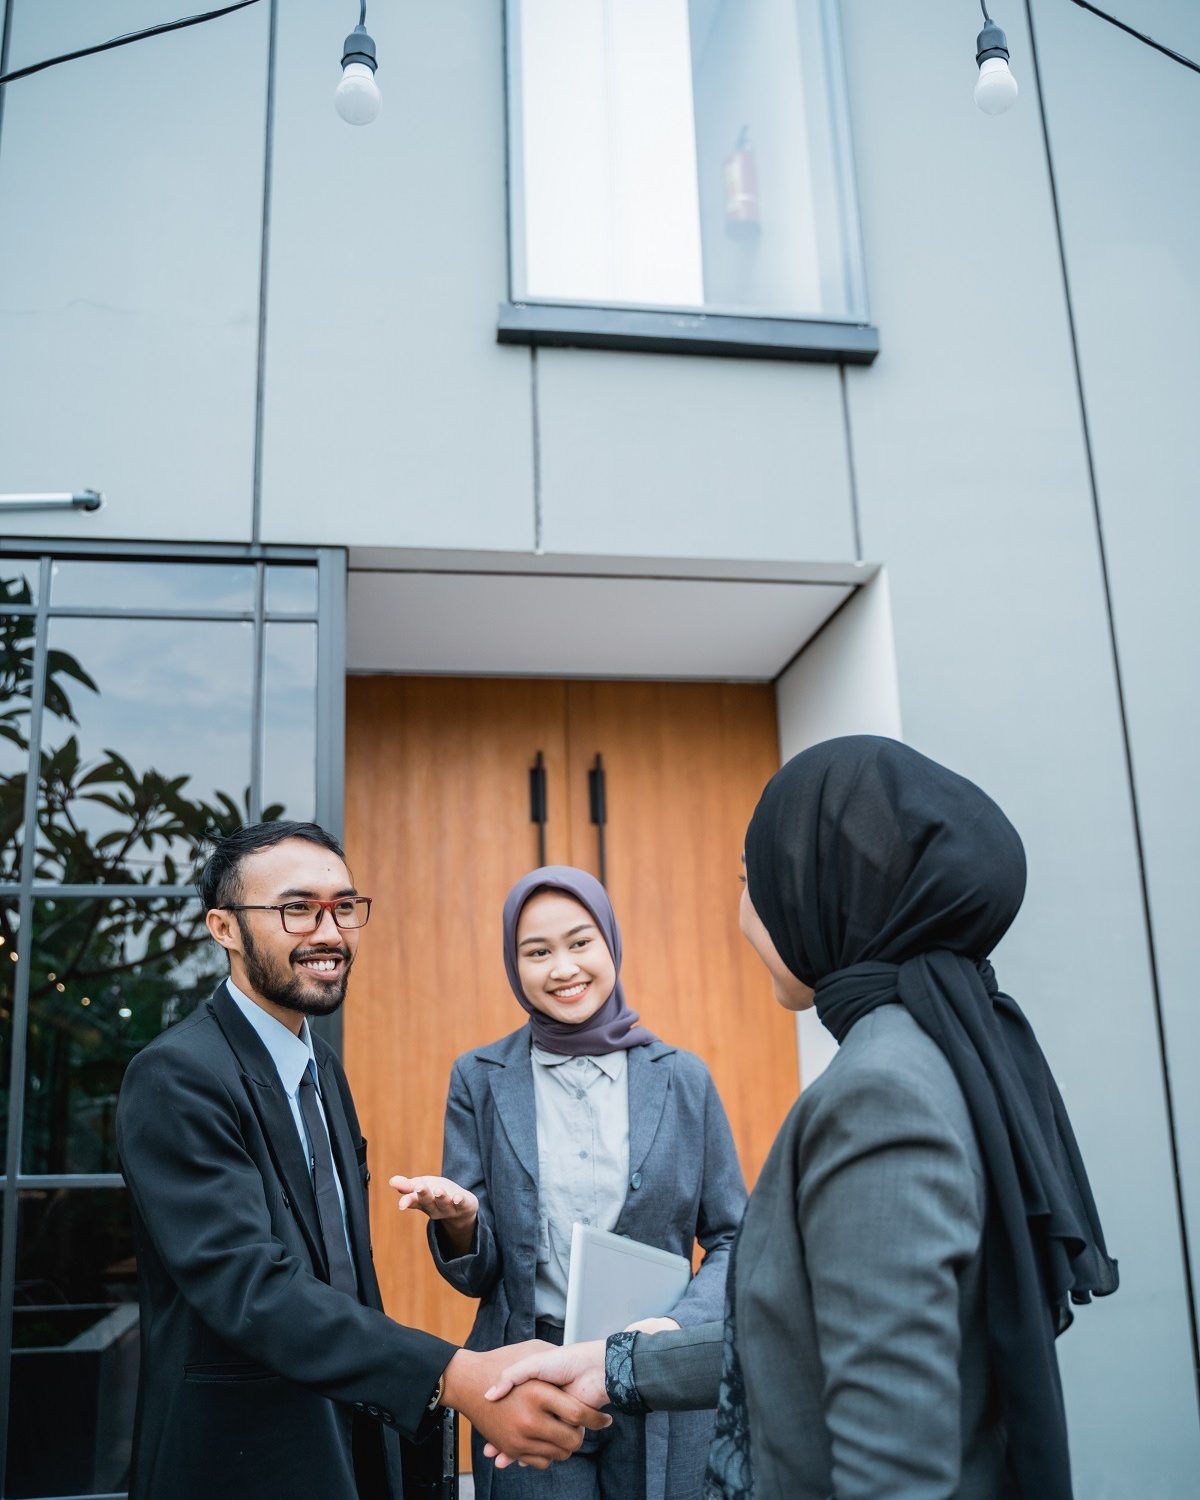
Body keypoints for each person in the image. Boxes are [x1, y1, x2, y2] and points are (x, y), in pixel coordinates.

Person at [484, 739, 1119, 1500]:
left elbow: (892, 1467)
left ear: (821, 895)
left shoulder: (880, 1092)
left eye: (756, 883)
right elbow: (807, 1336)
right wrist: (614, 1365)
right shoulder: (926, 1052)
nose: (746, 914)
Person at [116, 823, 609, 1500]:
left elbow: (347, 1279)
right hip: (240, 1463)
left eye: (343, 908)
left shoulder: (323, 1068)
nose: (330, 933)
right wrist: (454, 1376)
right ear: (224, 928)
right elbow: (253, 1288)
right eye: (297, 909)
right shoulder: (176, 1076)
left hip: (351, 1446)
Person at [390, 865, 747, 1500]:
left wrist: (673, 1331)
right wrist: (462, 1222)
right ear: (513, 964)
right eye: (537, 952)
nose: (563, 968)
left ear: (610, 943)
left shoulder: (682, 1078)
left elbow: (732, 1239)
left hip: (657, 1377)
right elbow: (476, 1274)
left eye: (580, 942)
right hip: (531, 1378)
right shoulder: (479, 1077)